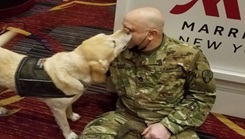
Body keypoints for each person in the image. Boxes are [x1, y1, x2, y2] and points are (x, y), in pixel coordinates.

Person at [79, 7, 216, 139]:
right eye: (123, 28)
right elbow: (87, 68)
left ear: (151, 34)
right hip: (125, 116)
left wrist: (168, 126)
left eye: (129, 31)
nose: (121, 34)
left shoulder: (187, 55)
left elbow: (203, 96)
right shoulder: (117, 50)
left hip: (168, 119)